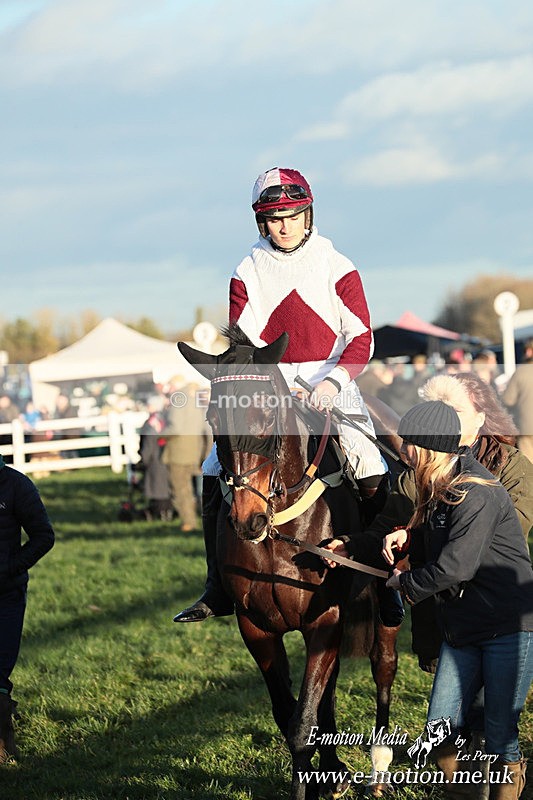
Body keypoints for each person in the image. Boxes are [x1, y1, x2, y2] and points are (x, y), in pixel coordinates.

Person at [174, 166, 387, 623]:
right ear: (261, 223)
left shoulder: (338, 266)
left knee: (370, 463)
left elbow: (362, 337)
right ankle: (217, 586)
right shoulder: (246, 270)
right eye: (274, 217)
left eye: (292, 214)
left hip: (331, 380)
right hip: (269, 382)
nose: (284, 224)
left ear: (308, 215)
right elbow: (244, 344)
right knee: (215, 469)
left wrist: (331, 383)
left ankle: (380, 577)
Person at [382, 400, 533, 800]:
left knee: (501, 733)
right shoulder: (443, 484)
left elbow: (455, 567)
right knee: (441, 729)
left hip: (507, 626)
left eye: (408, 445)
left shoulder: (474, 491)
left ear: (426, 448)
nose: (403, 453)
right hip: (463, 625)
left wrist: (405, 583)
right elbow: (447, 540)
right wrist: (410, 538)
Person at [0, 452, 55, 763]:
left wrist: (10, 569)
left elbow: (43, 536)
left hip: (6, 593)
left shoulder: (16, 485)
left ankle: (4, 743)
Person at [162, 382, 209, 532]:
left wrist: (160, 434)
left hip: (179, 453)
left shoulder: (178, 399)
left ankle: (188, 522)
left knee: (181, 489)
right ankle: (199, 519)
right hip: (195, 451)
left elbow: (175, 427)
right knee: (195, 489)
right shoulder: (196, 401)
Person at [137, 395, 173, 521]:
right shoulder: (164, 420)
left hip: (154, 462)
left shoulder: (151, 424)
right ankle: (167, 513)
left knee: (156, 489)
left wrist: (143, 460)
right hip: (166, 459)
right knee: (166, 489)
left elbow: (147, 445)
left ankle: (159, 513)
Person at [503, 338, 533, 464]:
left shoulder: (521, 371)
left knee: (528, 464)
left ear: (529, 352)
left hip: (527, 427)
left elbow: (507, 400)